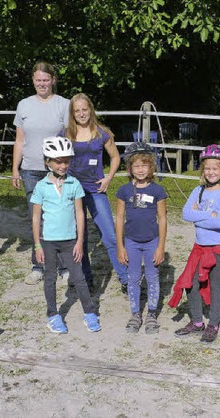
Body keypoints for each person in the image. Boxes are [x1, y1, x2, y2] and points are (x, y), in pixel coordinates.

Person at [168, 145, 220, 343]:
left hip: (219, 248)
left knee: (217, 287)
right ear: (203, 170)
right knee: (190, 283)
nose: (211, 172)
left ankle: (213, 324)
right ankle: (196, 321)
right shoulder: (198, 190)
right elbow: (185, 213)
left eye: (215, 168)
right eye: (207, 168)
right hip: (200, 247)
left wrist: (199, 216)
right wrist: (207, 215)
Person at [30, 136, 100, 334]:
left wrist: (80, 241)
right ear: (48, 162)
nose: (63, 165)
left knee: (79, 277)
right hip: (48, 241)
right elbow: (36, 218)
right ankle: (53, 314)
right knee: (50, 277)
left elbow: (80, 213)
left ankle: (89, 312)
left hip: (70, 241)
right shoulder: (41, 187)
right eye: (58, 161)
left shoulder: (74, 184)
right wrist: (37, 244)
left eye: (66, 161)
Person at [59, 93, 129, 291]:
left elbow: (115, 157)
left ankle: (125, 278)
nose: (81, 114)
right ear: (72, 113)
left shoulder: (101, 133)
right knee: (79, 237)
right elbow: (55, 160)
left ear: (90, 109)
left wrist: (109, 177)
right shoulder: (64, 135)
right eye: (77, 110)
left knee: (110, 235)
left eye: (84, 109)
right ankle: (85, 278)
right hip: (72, 192)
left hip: (95, 190)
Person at [12, 62, 71, 285]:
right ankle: (39, 265)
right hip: (31, 170)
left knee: (61, 217)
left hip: (58, 171)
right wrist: (15, 169)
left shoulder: (64, 105)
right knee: (36, 219)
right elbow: (20, 140)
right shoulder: (24, 105)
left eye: (45, 80)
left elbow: (70, 138)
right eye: (38, 80)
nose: (42, 84)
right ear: (33, 81)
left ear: (53, 80)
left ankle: (64, 267)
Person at [115, 142, 168, 334]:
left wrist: (160, 246)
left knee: (152, 277)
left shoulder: (157, 191)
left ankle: (152, 314)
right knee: (133, 277)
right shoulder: (124, 191)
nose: (140, 169)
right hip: (131, 242)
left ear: (151, 166)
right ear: (129, 168)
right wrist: (120, 246)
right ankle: (135, 313)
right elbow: (120, 218)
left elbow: (162, 218)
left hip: (152, 241)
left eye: (144, 165)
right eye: (136, 165)